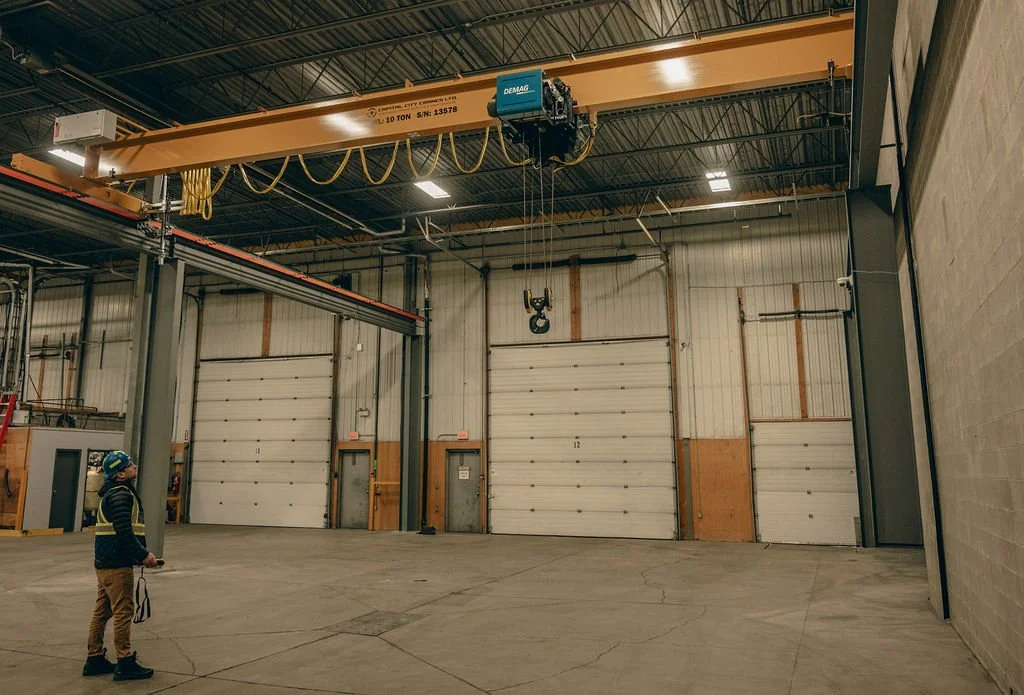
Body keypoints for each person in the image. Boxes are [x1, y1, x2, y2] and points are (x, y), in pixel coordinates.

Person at [82, 451, 158, 681]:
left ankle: (94, 658)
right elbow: (124, 531)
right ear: (121, 473)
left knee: (102, 611)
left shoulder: (114, 493)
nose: (134, 466)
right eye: (130, 465)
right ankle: (125, 661)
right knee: (123, 611)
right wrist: (143, 555)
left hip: (106, 562)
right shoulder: (121, 495)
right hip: (116, 564)